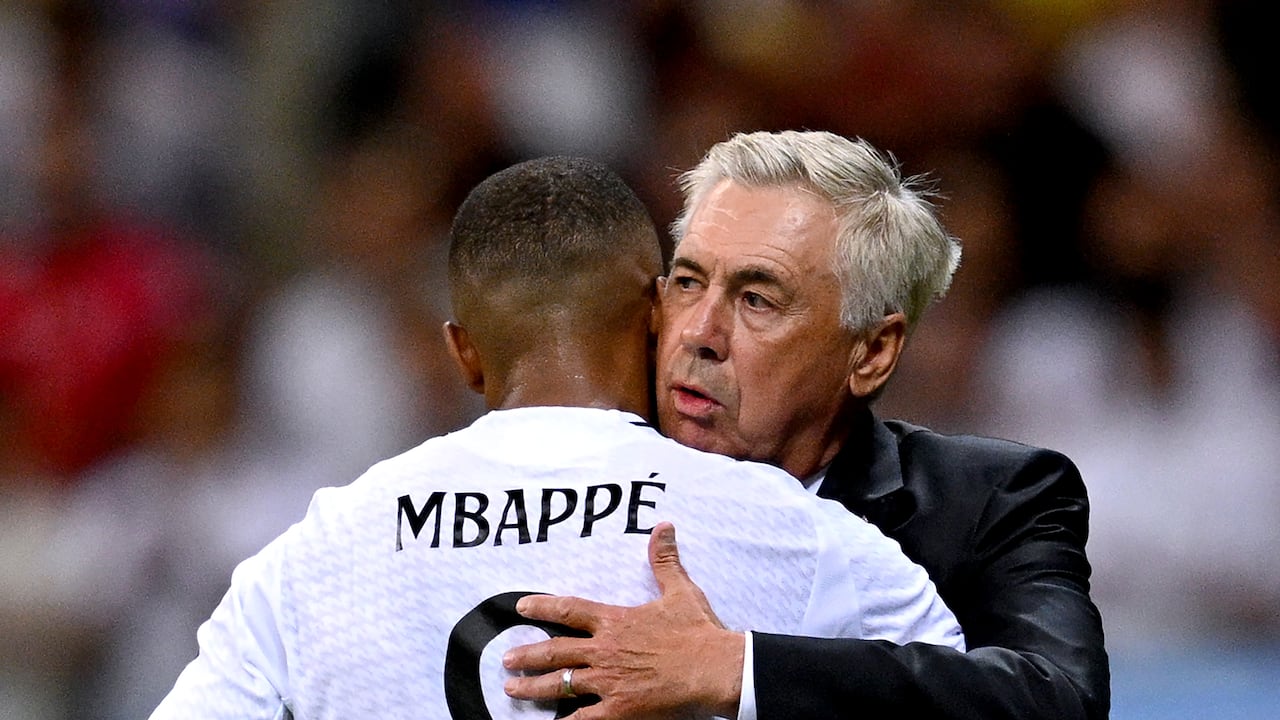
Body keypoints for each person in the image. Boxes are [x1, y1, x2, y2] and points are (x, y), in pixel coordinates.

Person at [148, 155, 963, 719]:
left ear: (463, 352)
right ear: (655, 317)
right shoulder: (786, 528)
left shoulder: (316, 555)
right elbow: (989, 700)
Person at [504, 131, 1109, 719]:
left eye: (756, 299)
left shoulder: (989, 502)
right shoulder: (569, 477)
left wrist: (737, 671)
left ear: (871, 353)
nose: (697, 333)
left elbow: (1057, 698)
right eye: (688, 282)